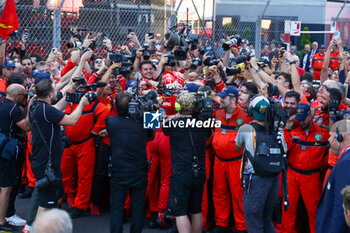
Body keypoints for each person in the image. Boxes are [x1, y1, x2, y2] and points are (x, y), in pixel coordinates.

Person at [29, 79, 89, 224]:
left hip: (42, 160)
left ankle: (32, 225)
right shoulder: (45, 109)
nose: (57, 93)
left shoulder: (37, 106)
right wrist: (81, 104)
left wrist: (70, 96)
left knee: (47, 198)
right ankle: (35, 227)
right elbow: (72, 120)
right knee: (46, 203)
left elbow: (55, 108)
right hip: (46, 164)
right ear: (50, 95)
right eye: (55, 92)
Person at [235, 95, 287, 233]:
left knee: (253, 221)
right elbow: (285, 150)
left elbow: (237, 147)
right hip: (274, 179)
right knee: (266, 219)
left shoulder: (246, 128)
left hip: (256, 179)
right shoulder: (278, 131)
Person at [163, 92, 212, 233]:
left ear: (178, 106)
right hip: (199, 171)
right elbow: (209, 136)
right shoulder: (203, 122)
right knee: (196, 209)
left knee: (180, 211)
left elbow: (162, 128)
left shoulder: (172, 123)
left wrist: (175, 116)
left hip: (181, 173)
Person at [106, 92, 155, 233]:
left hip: (118, 172)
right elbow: (151, 136)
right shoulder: (144, 121)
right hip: (138, 171)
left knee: (116, 207)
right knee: (138, 208)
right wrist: (150, 110)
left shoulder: (110, 122)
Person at [282, 103, 329, 233]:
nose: (301, 121)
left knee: (314, 210)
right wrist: (286, 129)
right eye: (299, 118)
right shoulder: (293, 130)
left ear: (310, 115)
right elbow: (284, 149)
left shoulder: (323, 133)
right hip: (292, 173)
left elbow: (329, 155)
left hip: (312, 176)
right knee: (288, 207)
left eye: (303, 118)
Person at [211, 86, 249, 233]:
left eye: (223, 98)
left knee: (238, 194)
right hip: (219, 160)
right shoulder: (218, 113)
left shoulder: (245, 116)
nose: (220, 99)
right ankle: (221, 223)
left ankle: (241, 226)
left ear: (233, 100)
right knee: (219, 192)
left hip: (237, 162)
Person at [0, 84, 30, 231]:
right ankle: (1, 221)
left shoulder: (0, 102)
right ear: (16, 96)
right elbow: (26, 126)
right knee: (6, 187)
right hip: (5, 151)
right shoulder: (13, 108)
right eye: (24, 96)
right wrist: (29, 107)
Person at [316, 120, 350, 233]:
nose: (329, 140)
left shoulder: (346, 162)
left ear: (341, 137)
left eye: (331, 137)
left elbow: (341, 206)